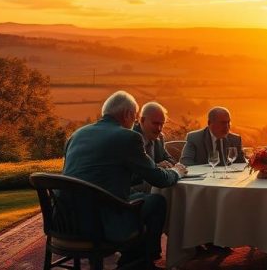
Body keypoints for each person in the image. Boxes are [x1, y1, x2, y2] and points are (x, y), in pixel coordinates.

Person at [63, 90, 187, 268]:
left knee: (140, 199)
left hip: (65, 220)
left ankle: (133, 259)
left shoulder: (76, 135)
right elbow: (160, 180)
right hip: (99, 223)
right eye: (135, 116)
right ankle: (140, 262)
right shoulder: (128, 137)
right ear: (129, 114)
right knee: (157, 202)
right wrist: (178, 172)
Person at [180, 106, 245, 166]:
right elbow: (185, 162)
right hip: (206, 177)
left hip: (229, 177)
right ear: (209, 123)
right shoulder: (195, 138)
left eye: (228, 122)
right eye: (222, 123)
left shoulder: (235, 140)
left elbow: (242, 164)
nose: (227, 126)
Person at [133, 101, 175, 168]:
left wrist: (167, 164)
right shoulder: (131, 138)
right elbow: (134, 168)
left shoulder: (159, 137)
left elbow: (170, 159)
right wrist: (157, 167)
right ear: (142, 120)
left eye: (162, 124)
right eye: (155, 123)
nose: (159, 128)